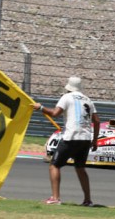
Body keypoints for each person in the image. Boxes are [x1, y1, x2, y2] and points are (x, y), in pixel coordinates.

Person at [32, 76, 100, 207]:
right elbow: (96, 121)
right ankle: (88, 200)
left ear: (69, 87)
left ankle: (55, 198)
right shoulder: (87, 99)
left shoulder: (67, 97)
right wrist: (95, 140)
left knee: (54, 165)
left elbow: (55, 113)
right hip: (85, 138)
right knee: (80, 168)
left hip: (71, 137)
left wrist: (40, 108)